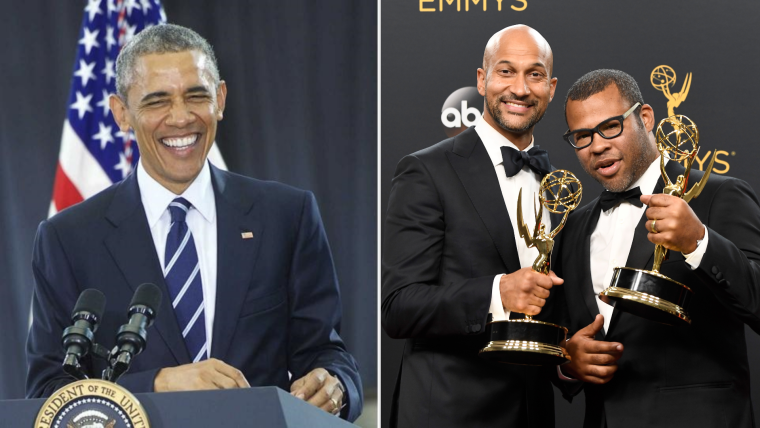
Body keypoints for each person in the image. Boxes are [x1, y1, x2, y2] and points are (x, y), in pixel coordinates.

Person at [26, 24, 362, 421]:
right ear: (122, 114)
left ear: (219, 99)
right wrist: (157, 384)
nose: (181, 118)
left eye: (196, 96)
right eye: (157, 102)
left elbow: (327, 353)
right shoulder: (68, 239)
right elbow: (47, 392)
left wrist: (335, 386)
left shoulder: (287, 215)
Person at [555, 69, 760, 427]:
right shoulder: (571, 229)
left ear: (645, 118)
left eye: (610, 126)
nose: (598, 145)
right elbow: (563, 335)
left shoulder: (718, 196)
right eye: (582, 136)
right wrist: (568, 363)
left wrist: (698, 242)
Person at [382, 25, 562, 427]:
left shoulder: (558, 184)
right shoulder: (426, 170)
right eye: (505, 72)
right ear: (482, 80)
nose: (520, 88)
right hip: (448, 413)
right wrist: (498, 292)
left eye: (534, 74)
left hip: (533, 412)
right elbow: (399, 307)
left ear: (550, 88)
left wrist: (570, 352)